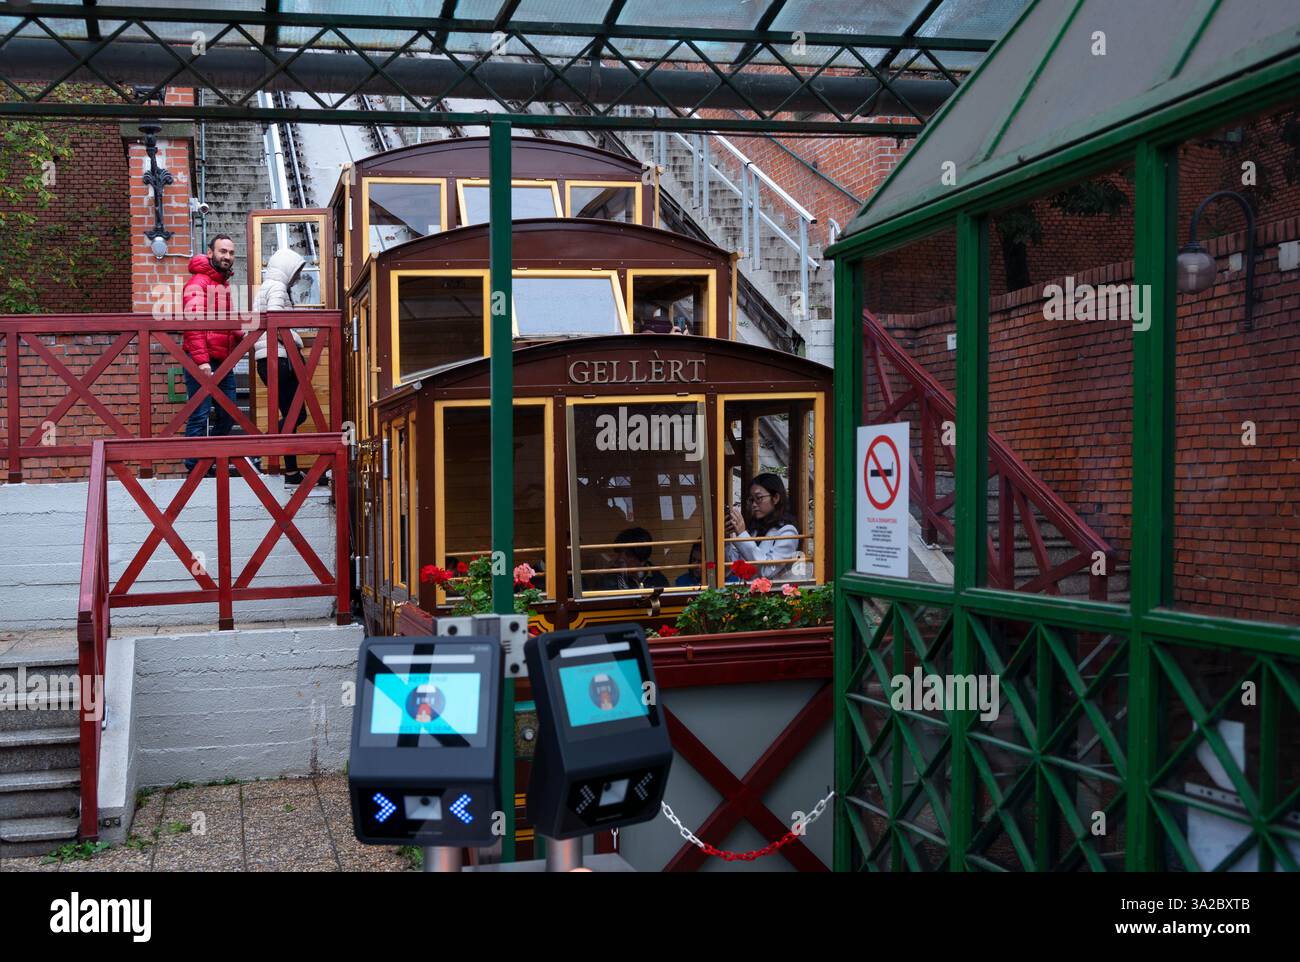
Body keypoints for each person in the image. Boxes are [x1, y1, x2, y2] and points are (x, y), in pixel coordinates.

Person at [182, 234, 241, 476]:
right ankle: (194, 468)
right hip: (201, 360)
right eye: (222, 251)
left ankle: (208, 460)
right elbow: (193, 322)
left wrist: (243, 331)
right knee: (199, 414)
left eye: (230, 253)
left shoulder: (222, 284)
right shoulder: (198, 282)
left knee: (229, 413)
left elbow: (224, 322)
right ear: (210, 253)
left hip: (223, 360)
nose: (227, 256)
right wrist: (203, 361)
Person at [253, 247, 311, 484]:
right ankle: (259, 449)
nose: (297, 277)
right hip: (279, 359)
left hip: (270, 360)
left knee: (290, 415)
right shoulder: (277, 288)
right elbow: (277, 322)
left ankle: (291, 471)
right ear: (287, 268)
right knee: (297, 415)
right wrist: (297, 341)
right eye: (296, 272)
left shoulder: (267, 287)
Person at [725, 472, 802, 581]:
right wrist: (726, 537)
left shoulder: (788, 532)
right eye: (751, 500)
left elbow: (767, 571)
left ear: (775, 498)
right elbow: (732, 564)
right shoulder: (754, 529)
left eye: (759, 498)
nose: (754, 504)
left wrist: (742, 534)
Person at [600, 527, 669, 591]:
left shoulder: (657, 578)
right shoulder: (609, 579)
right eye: (619, 552)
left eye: (628, 554)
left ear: (642, 558)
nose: (621, 558)